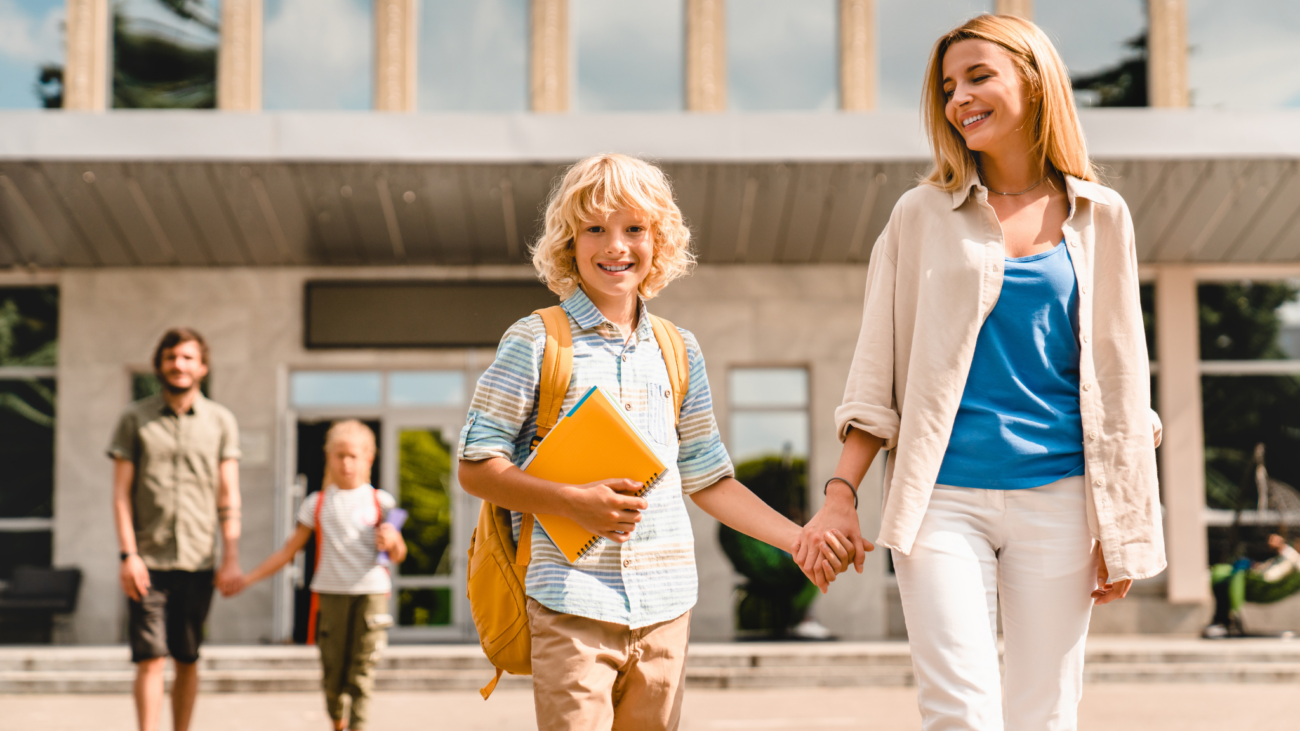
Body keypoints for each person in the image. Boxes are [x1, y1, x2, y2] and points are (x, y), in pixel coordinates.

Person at [794, 15, 1165, 731]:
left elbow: (1123, 381)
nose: (959, 98)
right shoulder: (920, 214)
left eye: (977, 76)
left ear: (1033, 80)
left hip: (1060, 498)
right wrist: (841, 492)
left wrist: (1120, 523)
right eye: (947, 87)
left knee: (1044, 713)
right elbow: (878, 368)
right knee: (959, 712)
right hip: (941, 500)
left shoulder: (1102, 217)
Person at [457, 153, 853, 731]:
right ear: (569, 242)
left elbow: (710, 479)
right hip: (570, 601)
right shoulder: (536, 340)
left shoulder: (678, 349)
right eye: (595, 228)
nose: (615, 245)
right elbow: (476, 467)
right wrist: (574, 501)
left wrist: (797, 542)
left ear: (658, 240)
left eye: (634, 229)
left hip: (667, 605)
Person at [233, 420, 406, 731]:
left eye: (353, 455)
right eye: (339, 455)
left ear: (368, 457)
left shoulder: (381, 502)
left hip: (371, 594)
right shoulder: (317, 503)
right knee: (332, 674)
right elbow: (288, 552)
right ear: (329, 457)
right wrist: (246, 579)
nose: (346, 463)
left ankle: (358, 726)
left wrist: (392, 541)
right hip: (330, 594)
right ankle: (337, 722)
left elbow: (397, 554)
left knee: (362, 672)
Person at [110, 328, 242, 731]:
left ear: (201, 366)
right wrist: (128, 555)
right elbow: (120, 494)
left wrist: (231, 558)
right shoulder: (135, 419)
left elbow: (229, 493)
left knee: (186, 656)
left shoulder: (221, 421)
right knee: (150, 656)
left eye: (187, 358)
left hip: (198, 559)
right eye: (171, 357)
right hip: (147, 559)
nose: (178, 365)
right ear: (159, 364)